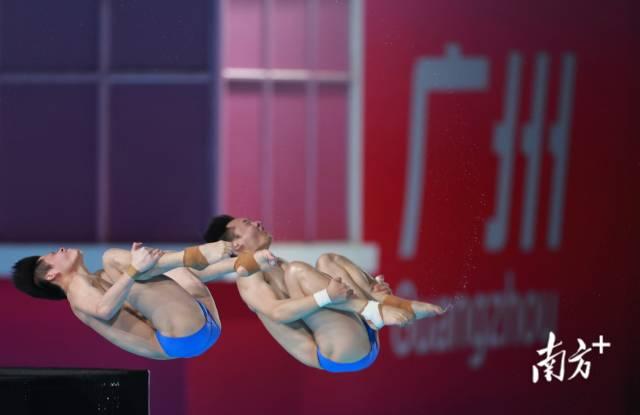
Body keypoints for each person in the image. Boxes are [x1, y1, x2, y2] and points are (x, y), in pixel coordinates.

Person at [201, 215, 447, 373]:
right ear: (237, 245)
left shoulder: (276, 263)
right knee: (298, 272)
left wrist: (367, 285)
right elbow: (278, 312)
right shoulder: (248, 276)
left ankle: (384, 303)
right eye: (247, 224)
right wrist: (326, 296)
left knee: (328, 261)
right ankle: (374, 310)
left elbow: (327, 291)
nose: (257, 222)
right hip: (338, 351)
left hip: (354, 334)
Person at [12, 242, 275, 359]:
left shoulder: (102, 279)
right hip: (181, 334)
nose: (59, 249)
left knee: (147, 268)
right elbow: (103, 309)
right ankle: (195, 255)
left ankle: (238, 264)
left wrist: (139, 268)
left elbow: (177, 278)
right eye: (52, 254)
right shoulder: (76, 290)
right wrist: (135, 269)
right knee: (115, 258)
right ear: (51, 274)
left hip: (196, 329)